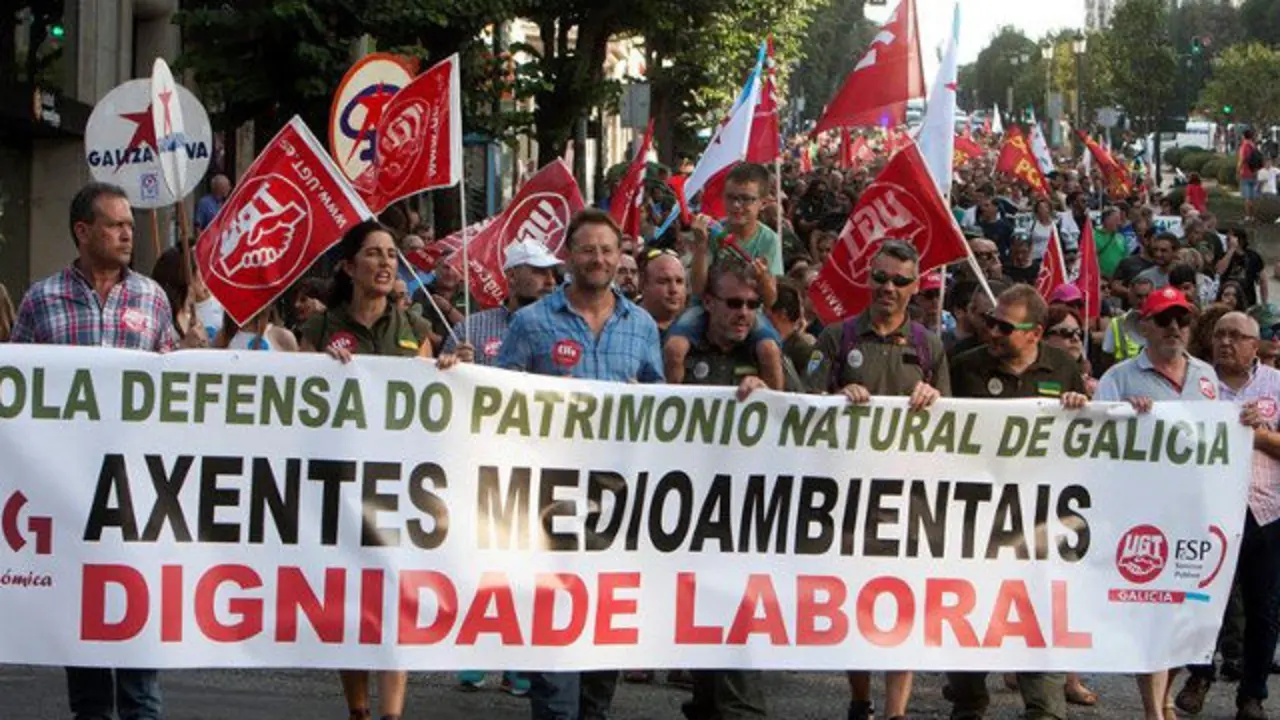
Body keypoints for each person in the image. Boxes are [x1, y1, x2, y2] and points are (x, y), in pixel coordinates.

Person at [10, 181, 176, 720]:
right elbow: (17, 395)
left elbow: (180, 392)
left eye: (130, 224)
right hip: (69, 499)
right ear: (83, 231)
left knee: (139, 669)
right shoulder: (41, 299)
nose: (128, 233)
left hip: (138, 499)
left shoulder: (152, 298)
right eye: (115, 224)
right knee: (83, 653)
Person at [493, 209, 663, 720]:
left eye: (608, 250)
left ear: (620, 256)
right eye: (588, 249)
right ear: (568, 256)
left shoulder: (642, 326)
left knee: (602, 651)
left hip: (617, 508)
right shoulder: (530, 323)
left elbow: (663, 407)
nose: (598, 259)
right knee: (556, 655)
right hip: (550, 508)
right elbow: (501, 403)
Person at [802, 240, 948, 720]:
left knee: (902, 607)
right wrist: (837, 394)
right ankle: (861, 699)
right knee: (857, 604)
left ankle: (896, 712)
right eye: (881, 277)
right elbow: (802, 403)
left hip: (910, 498)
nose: (889, 287)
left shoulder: (929, 344)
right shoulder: (836, 336)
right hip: (847, 496)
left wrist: (934, 396)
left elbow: (956, 423)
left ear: (915, 286)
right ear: (868, 278)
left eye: (901, 280)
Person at [297, 221, 431, 720]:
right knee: (351, 599)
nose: (385, 263)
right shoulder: (320, 329)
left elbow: (430, 405)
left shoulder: (415, 330)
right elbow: (298, 404)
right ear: (350, 267)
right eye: (373, 254)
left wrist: (446, 372)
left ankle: (392, 714)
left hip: (398, 485)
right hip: (341, 485)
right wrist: (317, 370)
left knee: (395, 597)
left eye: (392, 255)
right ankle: (358, 709)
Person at [947, 284, 1090, 720]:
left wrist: (1080, 407)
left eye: (1005, 327)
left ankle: (1044, 709)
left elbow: (1084, 442)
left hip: (1039, 528)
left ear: (1035, 332)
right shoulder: (965, 367)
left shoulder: (1064, 367)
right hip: (974, 526)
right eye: (991, 321)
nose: (993, 331)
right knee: (970, 627)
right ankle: (968, 704)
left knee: (1038, 624)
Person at [1094, 286, 1223, 720]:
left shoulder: (1207, 376)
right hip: (1140, 511)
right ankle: (1153, 708)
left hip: (1194, 512)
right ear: (1144, 325)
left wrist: (1243, 422)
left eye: (1181, 320)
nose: (1174, 327)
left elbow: (1220, 437)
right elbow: (1095, 436)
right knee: (1151, 607)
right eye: (1164, 319)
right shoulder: (1119, 377)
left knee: (1182, 609)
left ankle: (1164, 699)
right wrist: (1123, 413)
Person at [673, 263, 780, 720]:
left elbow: (799, 421)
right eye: (734, 303)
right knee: (702, 624)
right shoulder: (681, 348)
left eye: (753, 306)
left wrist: (770, 393)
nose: (744, 313)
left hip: (746, 519)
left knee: (738, 626)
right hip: (688, 515)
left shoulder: (765, 354)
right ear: (708, 303)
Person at [1174, 311, 1280, 720]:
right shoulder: (1194, 384)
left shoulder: (1275, 385)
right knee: (1200, 600)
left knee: (1263, 609)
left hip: (1264, 511)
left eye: (1236, 336)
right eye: (1219, 334)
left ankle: (1251, 695)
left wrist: (1260, 433)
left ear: (1256, 345)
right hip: (1205, 511)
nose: (1226, 342)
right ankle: (1199, 675)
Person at [443, 239, 560, 367]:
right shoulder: (469, 331)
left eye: (552, 273)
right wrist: (459, 370)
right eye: (540, 272)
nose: (551, 281)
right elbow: (442, 380)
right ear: (512, 277)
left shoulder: (568, 330)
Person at [1044, 304, 1097, 397]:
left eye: (1079, 333)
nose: (1075, 338)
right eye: (1066, 332)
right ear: (1043, 337)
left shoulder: (1096, 387)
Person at [639, 249, 689, 342]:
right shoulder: (626, 324)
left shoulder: (695, 329)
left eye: (679, 281)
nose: (673, 289)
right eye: (664, 281)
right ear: (643, 284)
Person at [1217, 227, 1268, 308]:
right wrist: (1231, 250)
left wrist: (1264, 302)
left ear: (1240, 240)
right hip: (1226, 301)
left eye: (1228, 239)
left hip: (1248, 300)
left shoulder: (1253, 256)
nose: (1226, 241)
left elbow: (1263, 280)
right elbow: (1220, 271)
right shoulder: (1225, 255)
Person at [1093, 207, 1130, 278]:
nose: (1119, 223)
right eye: (1116, 219)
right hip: (1100, 280)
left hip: (1117, 280)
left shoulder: (1121, 237)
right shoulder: (1093, 235)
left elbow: (1126, 258)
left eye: (1120, 220)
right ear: (1106, 219)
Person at [1240, 128, 1262, 222]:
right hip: (1255, 173)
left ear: (1244, 136)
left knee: (1247, 198)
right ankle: (1254, 216)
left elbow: (1243, 159)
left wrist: (1238, 170)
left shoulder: (1244, 146)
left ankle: (1248, 216)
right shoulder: (1254, 146)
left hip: (1245, 174)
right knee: (1254, 197)